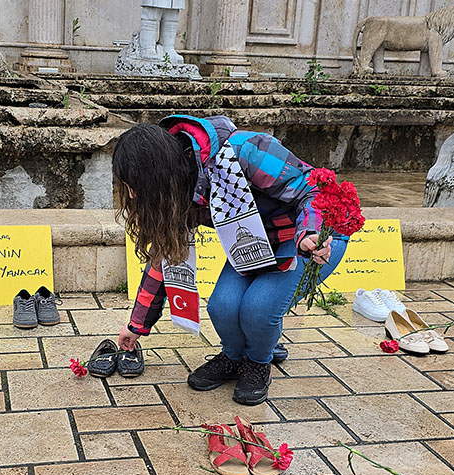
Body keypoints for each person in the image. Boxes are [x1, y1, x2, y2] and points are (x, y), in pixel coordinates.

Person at [114, 115, 349, 406]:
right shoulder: (178, 190)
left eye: (135, 185)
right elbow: (165, 257)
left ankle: (258, 362)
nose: (133, 194)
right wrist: (137, 325)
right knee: (222, 307)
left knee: (258, 310)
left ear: (159, 173)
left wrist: (309, 233)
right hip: (252, 245)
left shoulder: (245, 151)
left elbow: (313, 190)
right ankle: (235, 357)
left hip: (308, 237)